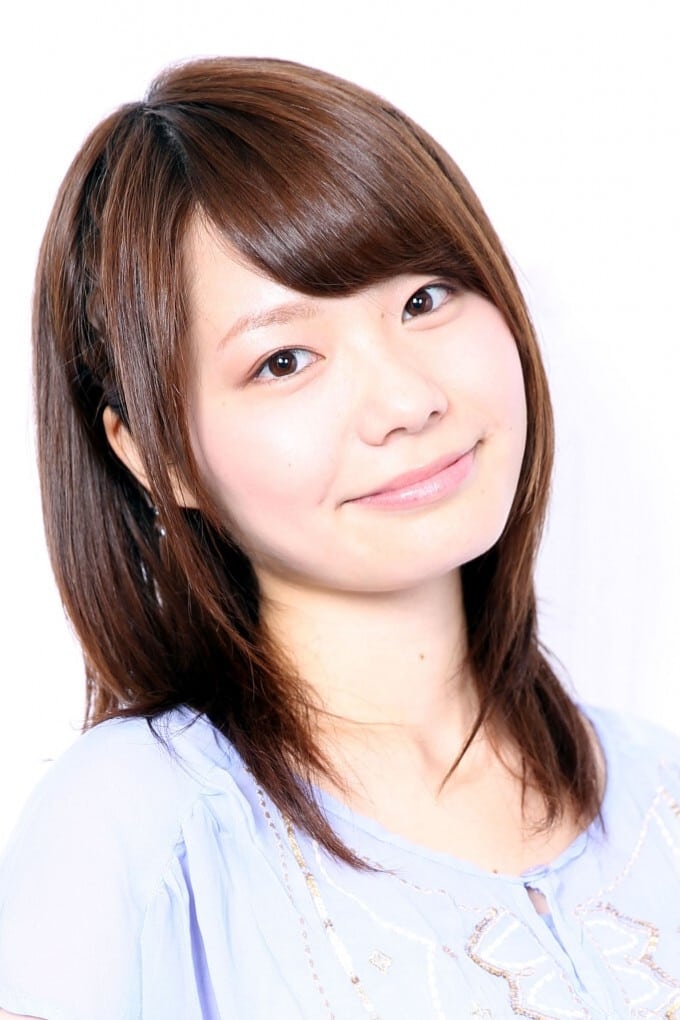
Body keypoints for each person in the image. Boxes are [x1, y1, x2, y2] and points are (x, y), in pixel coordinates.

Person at [0, 56, 678, 1020]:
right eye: (285, 359)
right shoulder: (136, 830)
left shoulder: (659, 788)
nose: (408, 400)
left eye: (424, 299)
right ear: (156, 455)